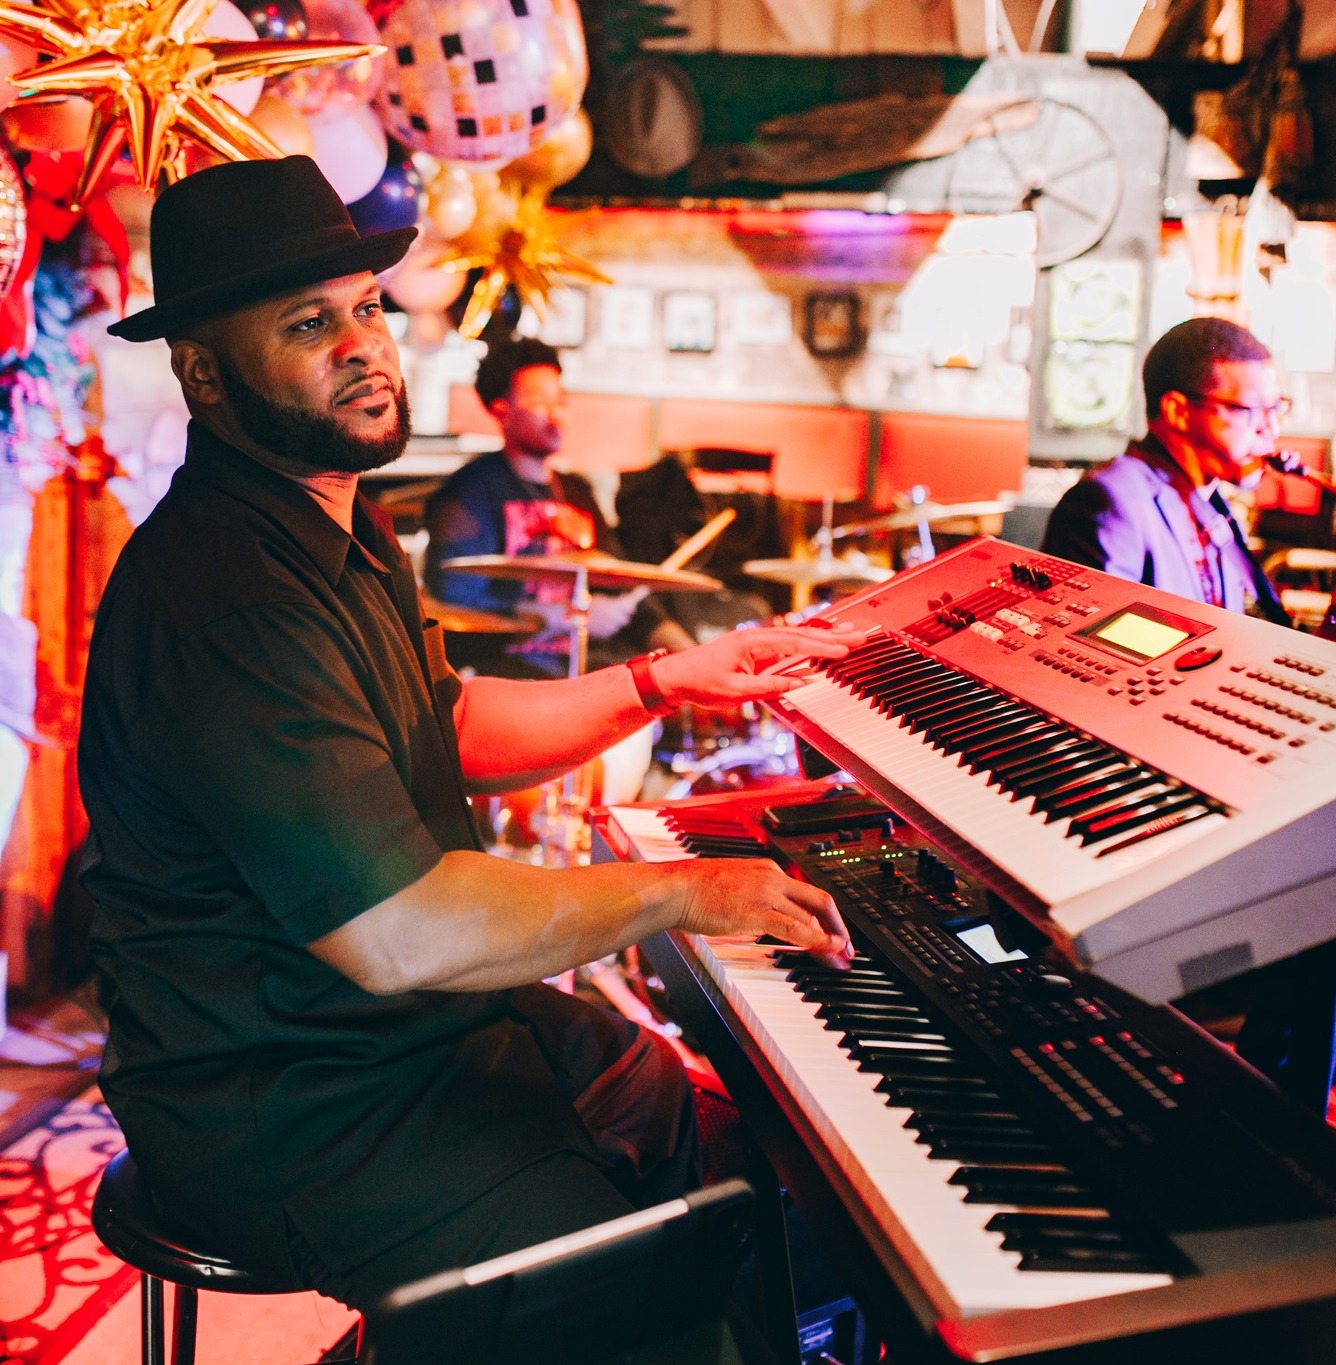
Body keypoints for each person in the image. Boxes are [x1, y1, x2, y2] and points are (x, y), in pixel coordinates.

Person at [78, 156, 863, 1317]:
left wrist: (659, 680)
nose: (365, 346)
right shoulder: (227, 597)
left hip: (391, 1040)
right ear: (203, 372)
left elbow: (449, 724)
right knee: (626, 1280)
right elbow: (401, 932)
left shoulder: (338, 524)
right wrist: (681, 892)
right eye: (310, 323)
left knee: (679, 1112)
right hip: (285, 1103)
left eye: (367, 308)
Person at [423, 337, 695, 677]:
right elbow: (455, 598)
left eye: (561, 399)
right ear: (501, 410)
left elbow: (622, 587)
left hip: (579, 669)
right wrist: (570, 615)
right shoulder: (470, 493)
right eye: (539, 399)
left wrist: (691, 658)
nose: (558, 414)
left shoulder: (576, 492)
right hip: (504, 676)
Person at [1042, 316, 1290, 624]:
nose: (1272, 430)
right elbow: (1090, 653)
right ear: (1178, 411)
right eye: (1251, 410)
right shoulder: (1106, 503)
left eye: (1276, 409)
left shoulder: (1212, 502)